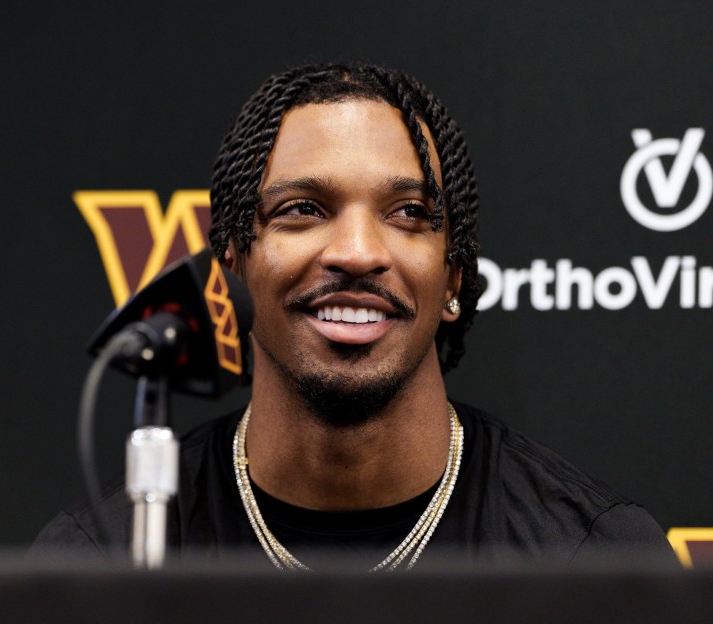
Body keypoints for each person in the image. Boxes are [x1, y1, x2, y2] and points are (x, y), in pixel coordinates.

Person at [34, 62, 676, 569]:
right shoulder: (112, 558)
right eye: (304, 209)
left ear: (454, 275)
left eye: (408, 215)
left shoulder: (591, 559)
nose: (358, 253)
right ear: (233, 262)